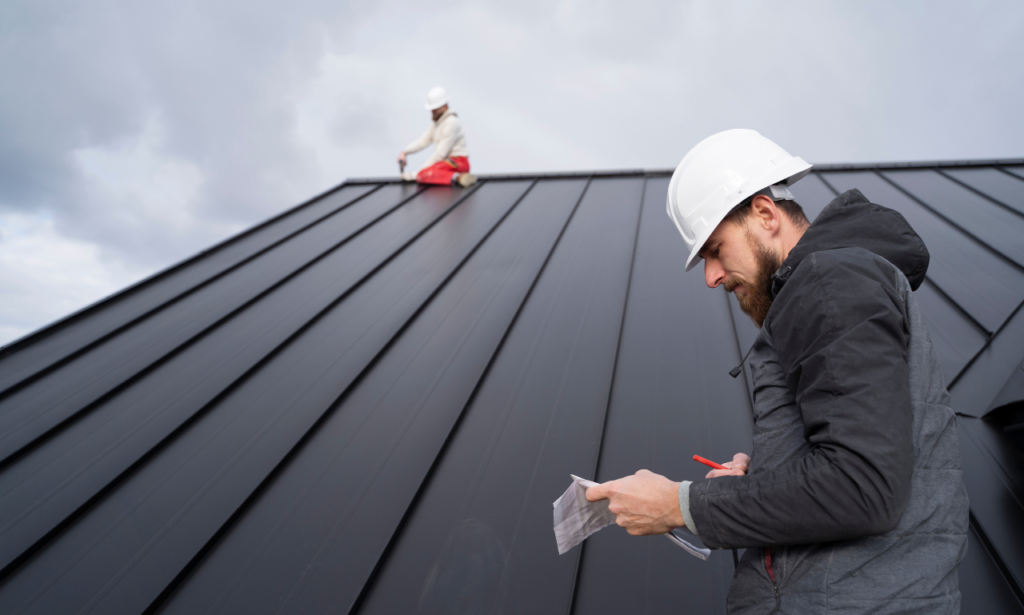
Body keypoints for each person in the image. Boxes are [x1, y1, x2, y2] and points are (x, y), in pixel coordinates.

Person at [585, 129, 968, 614]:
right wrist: (763, 476)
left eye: (716, 249)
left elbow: (862, 486)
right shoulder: (826, 291)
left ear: (765, 214)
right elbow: (851, 463)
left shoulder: (830, 282)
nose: (711, 277)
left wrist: (679, 505)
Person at [397, 86, 476, 188]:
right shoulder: (438, 123)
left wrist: (415, 175)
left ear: (444, 106)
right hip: (447, 163)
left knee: (424, 175)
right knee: (425, 173)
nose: (432, 111)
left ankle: (459, 178)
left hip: (459, 162)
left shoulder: (451, 123)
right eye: (431, 108)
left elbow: (440, 154)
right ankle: (456, 178)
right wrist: (405, 152)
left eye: (435, 108)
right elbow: (423, 140)